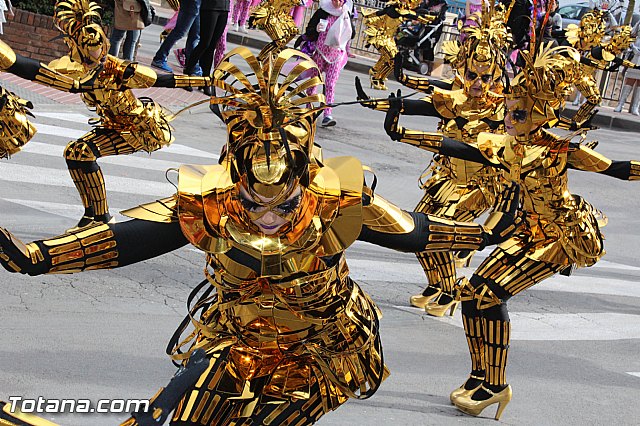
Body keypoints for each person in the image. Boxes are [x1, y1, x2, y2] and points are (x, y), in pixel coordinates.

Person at [0, 46, 521, 426]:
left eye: (281, 140)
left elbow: (413, 232)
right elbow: (133, 236)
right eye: (250, 138)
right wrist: (37, 256)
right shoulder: (212, 199)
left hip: (317, 351)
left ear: (304, 142)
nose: (267, 160)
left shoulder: (339, 194)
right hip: (234, 339)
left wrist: (483, 235)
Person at [383, 41, 640, 420]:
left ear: (539, 115)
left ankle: (496, 384)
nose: (507, 117)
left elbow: (617, 168)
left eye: (516, 112)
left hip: (561, 236)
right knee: (472, 293)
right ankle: (479, 377)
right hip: (524, 230)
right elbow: (459, 147)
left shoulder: (559, 150)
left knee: (490, 295)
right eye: (507, 110)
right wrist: (400, 131)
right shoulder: (507, 145)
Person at [356, 7, 510, 315]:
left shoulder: (500, 110)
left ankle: (450, 291)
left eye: (485, 77)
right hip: (446, 179)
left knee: (440, 235)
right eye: (471, 76)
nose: (478, 83)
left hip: (476, 187)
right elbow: (422, 104)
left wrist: (403, 133)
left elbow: (462, 147)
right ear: (462, 70)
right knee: (416, 233)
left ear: (495, 77)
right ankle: (438, 284)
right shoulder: (456, 97)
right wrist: (376, 104)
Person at [50, 0, 211, 229]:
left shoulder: (120, 70)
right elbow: (41, 73)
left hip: (137, 128)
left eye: (97, 43)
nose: (94, 49)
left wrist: (207, 80)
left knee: (83, 152)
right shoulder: (72, 68)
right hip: (113, 124)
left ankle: (101, 218)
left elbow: (166, 80)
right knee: (75, 153)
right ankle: (94, 216)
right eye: (87, 44)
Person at [302, 0, 356, 127]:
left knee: (330, 84)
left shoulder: (346, 12)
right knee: (314, 81)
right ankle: (307, 108)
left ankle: (328, 114)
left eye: (339, 0)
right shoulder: (323, 11)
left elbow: (352, 34)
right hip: (320, 53)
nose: (336, 2)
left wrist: (347, 21)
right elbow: (309, 29)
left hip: (336, 55)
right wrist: (315, 29)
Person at [183, 0, 230, 95]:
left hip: (224, 8)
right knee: (204, 43)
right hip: (210, 7)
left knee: (212, 47)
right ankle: (187, 74)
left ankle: (205, 80)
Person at [151, 0, 202, 74]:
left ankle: (192, 65)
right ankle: (159, 58)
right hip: (192, 2)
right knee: (180, 31)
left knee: (195, 35)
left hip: (197, 3)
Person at [615, 21, 640, 115]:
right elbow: (631, 35)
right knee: (630, 78)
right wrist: (633, 46)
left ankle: (635, 107)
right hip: (636, 52)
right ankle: (620, 104)